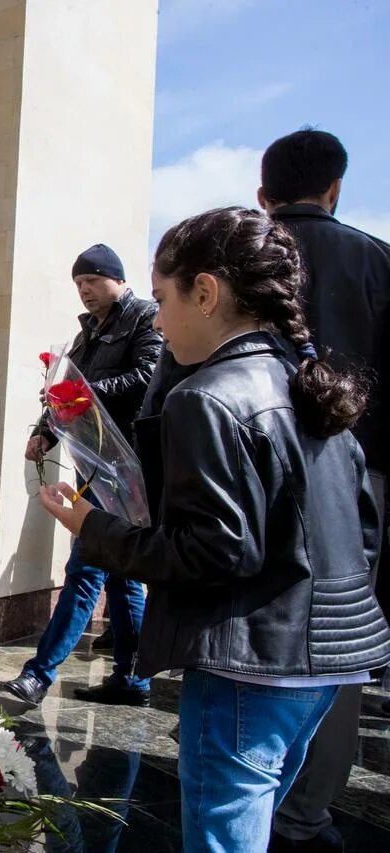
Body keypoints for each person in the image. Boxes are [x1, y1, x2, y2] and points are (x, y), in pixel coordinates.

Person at [39, 206, 390, 853]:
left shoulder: (207, 395)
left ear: (207, 292)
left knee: (223, 835)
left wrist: (93, 524)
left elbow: (214, 549)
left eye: (166, 297)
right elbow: (364, 530)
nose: (160, 318)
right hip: (327, 663)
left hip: (248, 667)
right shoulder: (309, 382)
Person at [256, 129, 390, 853]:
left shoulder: (236, 260)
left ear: (262, 195)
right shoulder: (377, 260)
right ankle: (304, 812)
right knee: (341, 649)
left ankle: (243, 784)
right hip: (357, 480)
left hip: (250, 469)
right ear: (335, 188)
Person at [5, 244, 162, 708]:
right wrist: (44, 434)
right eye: (78, 283)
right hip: (93, 464)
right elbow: (64, 397)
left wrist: (82, 392)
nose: (84, 290)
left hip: (126, 467)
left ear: (117, 278)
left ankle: (38, 674)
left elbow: (149, 377)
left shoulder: (144, 319)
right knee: (122, 580)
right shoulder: (88, 334)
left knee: (85, 570)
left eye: (92, 280)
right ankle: (132, 679)